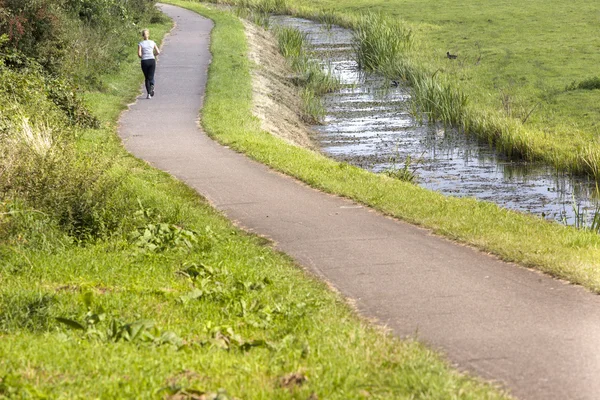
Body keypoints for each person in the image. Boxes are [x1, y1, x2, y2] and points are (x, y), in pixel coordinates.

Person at [138, 29, 160, 99]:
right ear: (148, 35)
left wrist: (143, 56)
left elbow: (139, 54)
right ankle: (152, 85)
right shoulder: (152, 42)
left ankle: (148, 94)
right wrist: (153, 54)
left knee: (146, 78)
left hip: (144, 61)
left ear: (142, 36)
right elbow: (158, 52)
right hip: (152, 60)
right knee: (151, 75)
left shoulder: (140, 43)